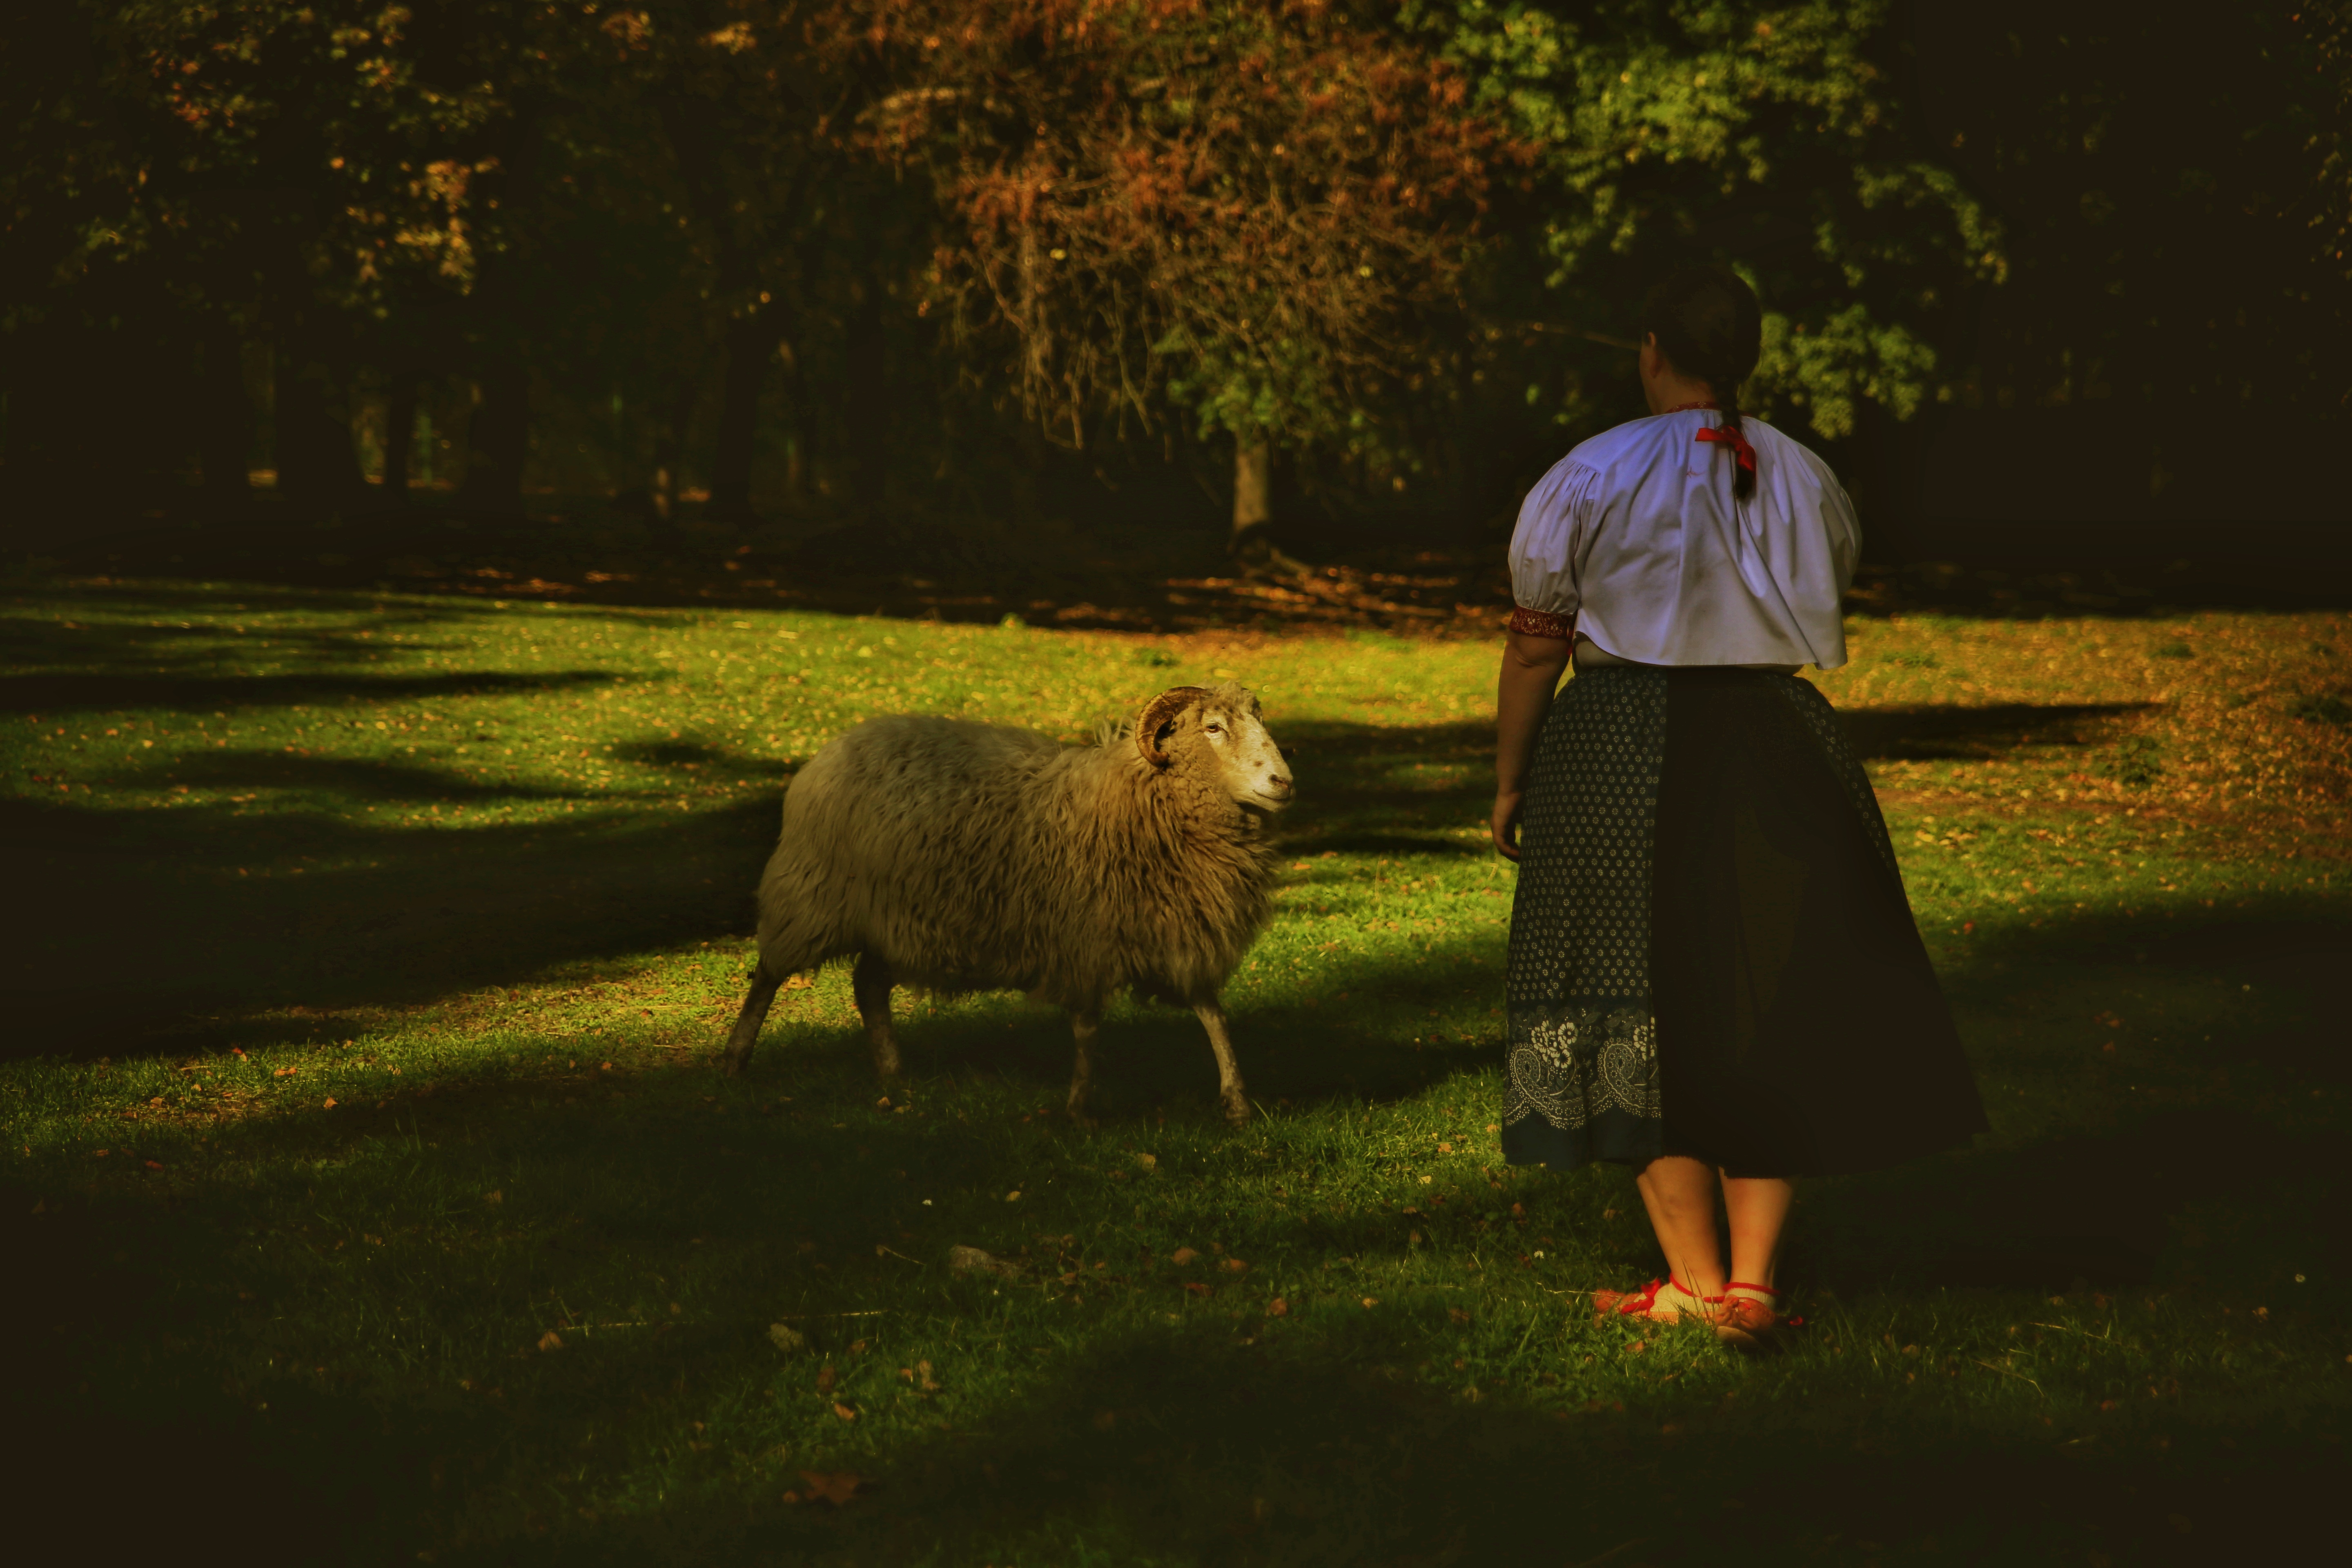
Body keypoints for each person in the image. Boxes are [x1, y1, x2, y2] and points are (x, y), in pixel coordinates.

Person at [1489, 265, 1987, 1348]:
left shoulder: (1594, 468)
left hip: (1618, 744)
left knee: (1626, 992)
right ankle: (1753, 1287)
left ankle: (1695, 1280)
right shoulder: (1808, 475)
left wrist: (1512, 777)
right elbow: (1826, 587)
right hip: (1776, 740)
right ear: (1748, 356)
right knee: (1765, 993)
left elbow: (1535, 646)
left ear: (1651, 349)